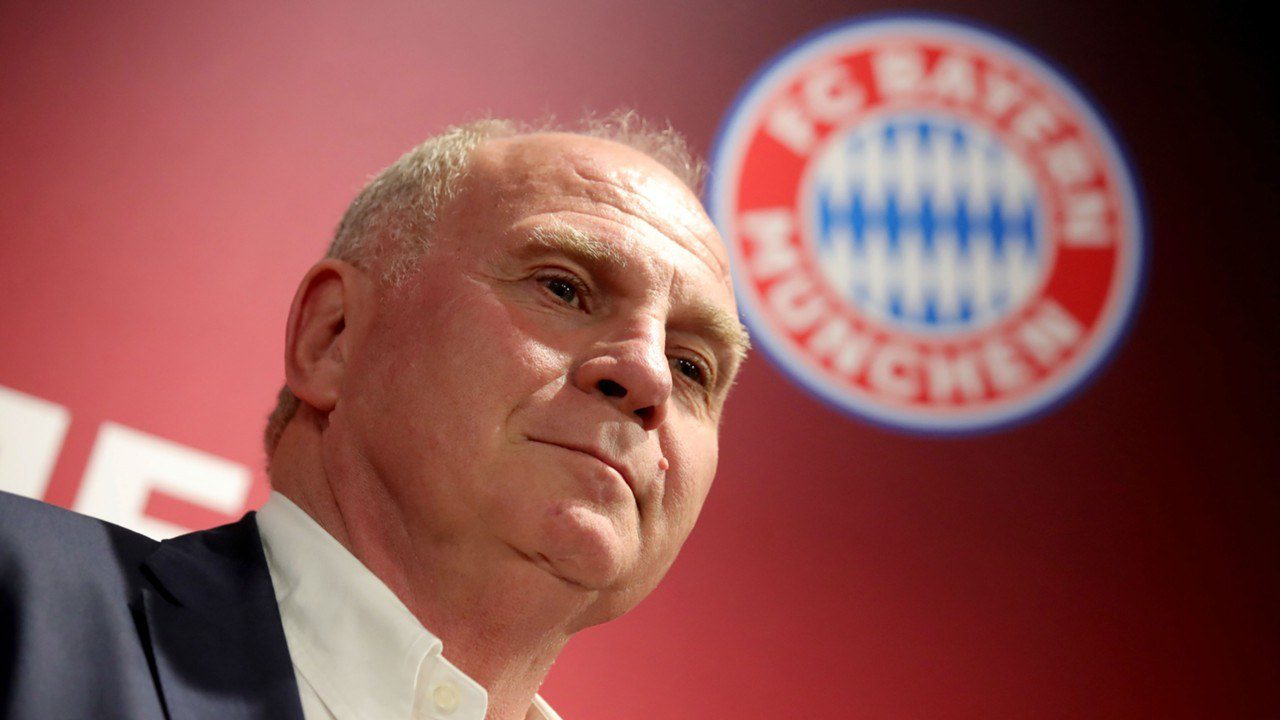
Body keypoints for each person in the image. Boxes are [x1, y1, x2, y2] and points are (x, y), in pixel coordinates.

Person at [0, 112, 750, 720]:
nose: (649, 375)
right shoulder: (19, 602)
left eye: (693, 367)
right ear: (334, 336)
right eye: (563, 288)